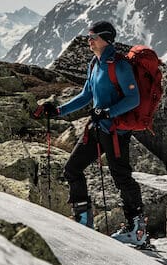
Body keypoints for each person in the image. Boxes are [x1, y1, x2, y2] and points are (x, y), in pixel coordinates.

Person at [40, 20, 148, 246]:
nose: (89, 40)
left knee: (121, 177)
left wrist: (108, 112)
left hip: (115, 132)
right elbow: (85, 95)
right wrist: (58, 111)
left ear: (106, 39)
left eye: (93, 37)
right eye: (89, 36)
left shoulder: (118, 65)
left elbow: (134, 99)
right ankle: (82, 221)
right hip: (97, 128)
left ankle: (136, 230)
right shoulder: (94, 63)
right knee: (72, 168)